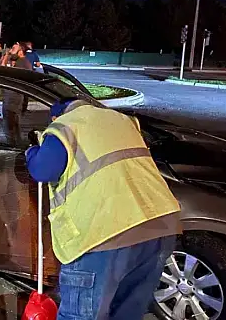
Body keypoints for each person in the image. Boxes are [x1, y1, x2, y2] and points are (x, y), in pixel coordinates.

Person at [24, 98, 181, 319]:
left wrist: (31, 152)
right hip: (159, 226)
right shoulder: (123, 121)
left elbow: (42, 170)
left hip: (104, 234)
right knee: (127, 312)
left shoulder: (64, 126)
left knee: (81, 315)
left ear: (56, 116)